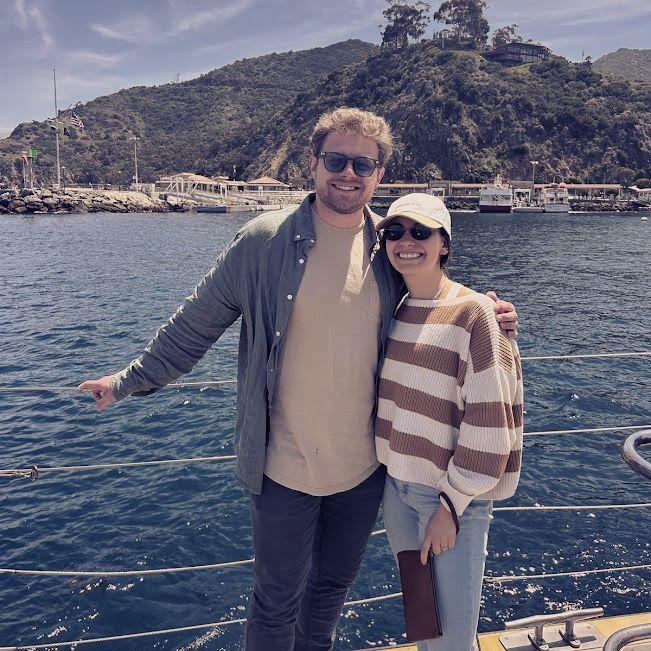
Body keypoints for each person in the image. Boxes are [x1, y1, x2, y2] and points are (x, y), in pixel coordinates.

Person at [78, 108, 519, 651]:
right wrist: (127, 381)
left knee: (329, 594)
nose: (348, 173)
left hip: (363, 473)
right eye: (336, 160)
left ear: (379, 173)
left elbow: (434, 294)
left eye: (363, 164)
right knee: (275, 603)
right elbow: (194, 324)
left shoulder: (386, 249)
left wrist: (491, 313)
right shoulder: (263, 241)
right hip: (282, 469)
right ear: (313, 163)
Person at [375, 193, 524, 651]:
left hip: (449, 500)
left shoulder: (474, 313)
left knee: (452, 643)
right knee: (424, 625)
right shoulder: (395, 309)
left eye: (421, 232)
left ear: (444, 244)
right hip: (397, 490)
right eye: (395, 232)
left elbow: (490, 422)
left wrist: (451, 505)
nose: (406, 242)